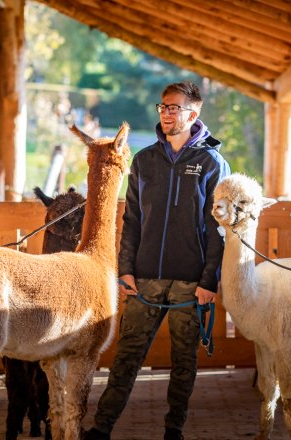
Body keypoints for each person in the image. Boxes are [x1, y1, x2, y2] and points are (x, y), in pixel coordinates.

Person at [84, 81, 230, 440]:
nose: (166, 113)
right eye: (163, 107)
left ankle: (173, 430)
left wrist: (209, 281)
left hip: (190, 283)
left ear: (193, 114)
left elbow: (219, 228)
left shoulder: (212, 162)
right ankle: (101, 429)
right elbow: (131, 219)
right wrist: (127, 269)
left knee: (184, 362)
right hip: (144, 278)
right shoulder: (145, 160)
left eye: (174, 108)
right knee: (126, 358)